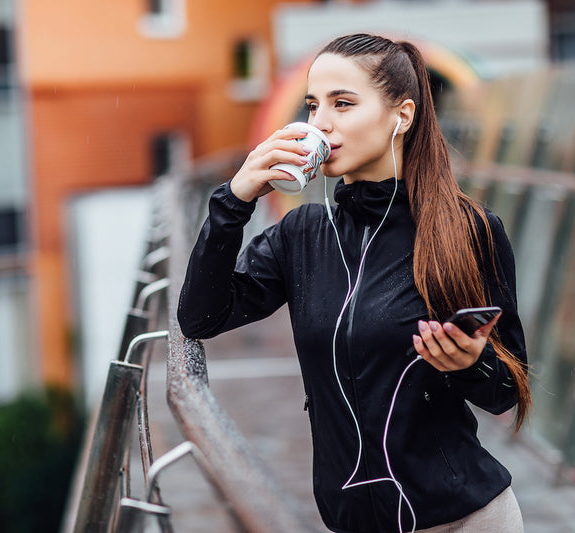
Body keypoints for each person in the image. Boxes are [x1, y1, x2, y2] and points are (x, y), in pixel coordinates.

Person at [177, 33, 531, 533]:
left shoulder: (468, 229)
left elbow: (507, 391)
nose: (320, 121)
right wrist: (234, 201)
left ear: (401, 116)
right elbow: (201, 316)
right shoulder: (301, 234)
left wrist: (472, 363)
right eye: (313, 105)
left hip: (468, 519)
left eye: (343, 104)